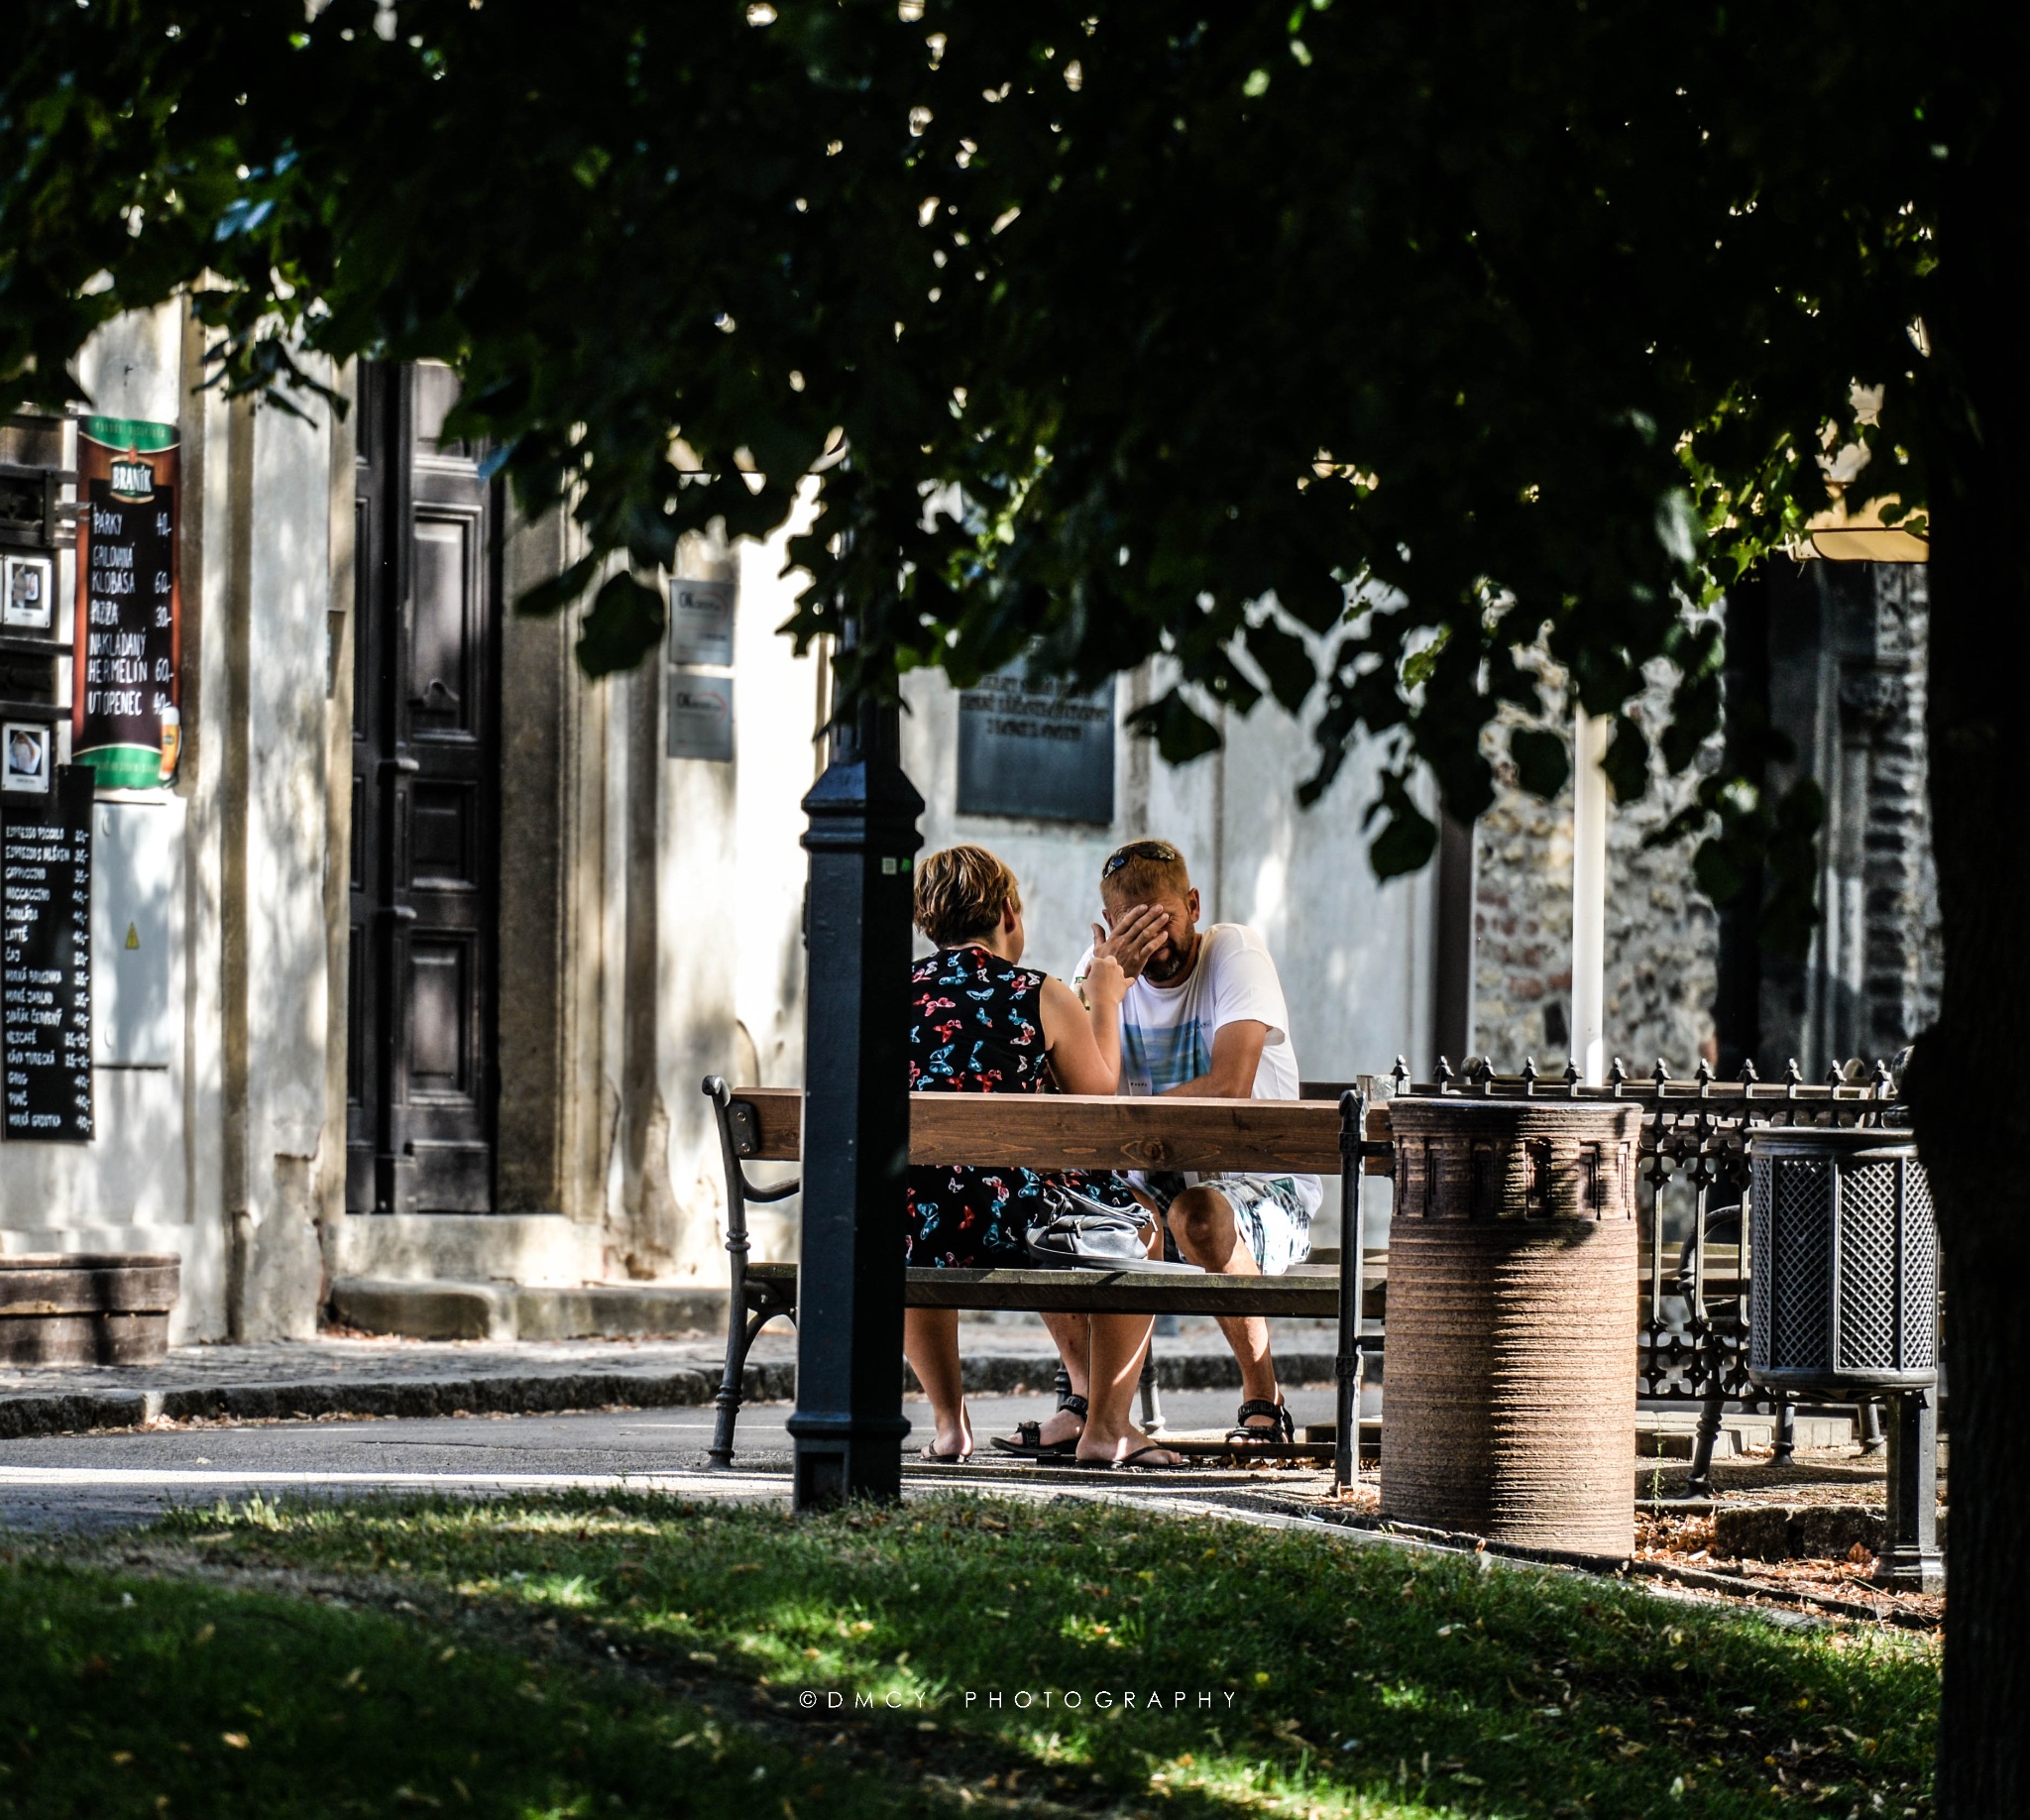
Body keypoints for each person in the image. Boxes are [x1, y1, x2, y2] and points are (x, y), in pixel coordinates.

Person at [905, 845, 1182, 1469]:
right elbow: (1098, 1098)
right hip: (1013, 1224)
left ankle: (950, 1427)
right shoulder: (1042, 994)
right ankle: (1108, 1428)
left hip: (914, 1223)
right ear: (1008, 912)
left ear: (930, 923)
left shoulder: (890, 993)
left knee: (914, 1209)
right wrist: (1104, 997)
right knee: (1137, 1220)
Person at [1075, 839, 1320, 1445]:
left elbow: (1230, 1086)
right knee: (1070, 1215)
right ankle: (1089, 1407)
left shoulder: (1233, 951)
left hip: (1259, 1180)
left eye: (1163, 920)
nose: (1153, 941)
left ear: (1193, 905)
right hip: (1145, 1178)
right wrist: (1102, 993)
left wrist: (1124, 1121)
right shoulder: (1099, 973)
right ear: (1108, 927)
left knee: (1199, 1217)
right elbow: (1075, 1098)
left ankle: (1263, 1391)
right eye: (1134, 927)